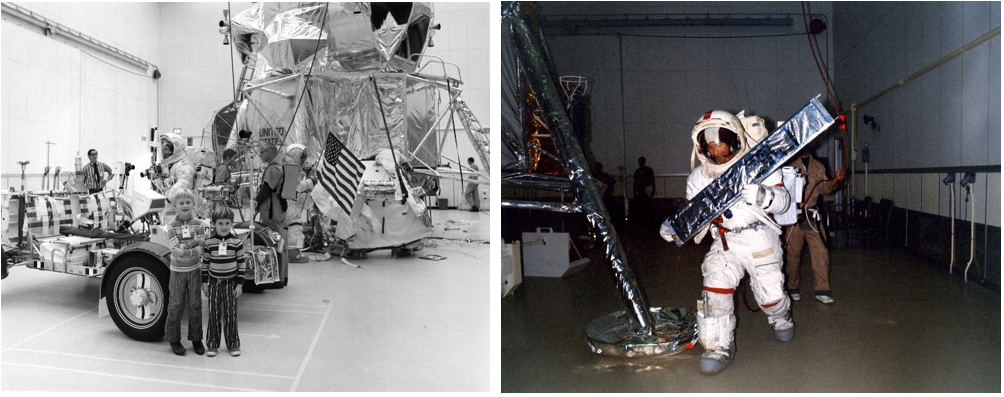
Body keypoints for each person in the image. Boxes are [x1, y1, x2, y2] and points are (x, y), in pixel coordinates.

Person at [661, 109, 793, 374]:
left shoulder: (760, 164)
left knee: (770, 297)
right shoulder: (699, 177)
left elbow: (784, 202)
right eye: (709, 145)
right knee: (714, 288)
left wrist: (763, 195)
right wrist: (674, 227)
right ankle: (719, 347)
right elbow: (693, 213)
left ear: (734, 139)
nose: (716, 150)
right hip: (724, 241)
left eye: (719, 142)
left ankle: (781, 317)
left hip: (758, 237)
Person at [783, 149, 846, 304]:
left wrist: (835, 180)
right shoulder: (787, 164)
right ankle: (792, 288)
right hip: (793, 217)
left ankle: (822, 290)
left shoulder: (818, 166)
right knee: (792, 254)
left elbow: (824, 188)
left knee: (821, 252)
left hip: (811, 216)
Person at [164, 188, 206, 356]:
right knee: (175, 305)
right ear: (175, 206)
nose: (185, 205)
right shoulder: (171, 225)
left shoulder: (200, 224)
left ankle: (196, 339)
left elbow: (201, 248)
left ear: (193, 204)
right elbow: (175, 249)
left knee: (195, 305)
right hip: (177, 272)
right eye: (181, 203)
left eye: (188, 202)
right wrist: (193, 243)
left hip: (194, 270)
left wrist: (186, 248)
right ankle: (173, 339)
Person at [201, 206, 245, 357]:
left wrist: (239, 284)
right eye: (220, 223)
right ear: (214, 224)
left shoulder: (236, 242)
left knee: (230, 315)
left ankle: (233, 344)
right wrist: (204, 283)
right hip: (214, 284)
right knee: (213, 314)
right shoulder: (209, 242)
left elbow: (241, 264)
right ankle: (212, 344)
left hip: (231, 284)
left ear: (232, 223)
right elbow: (205, 263)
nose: (224, 226)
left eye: (227, 223)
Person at [255, 143, 287, 285]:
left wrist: (256, 202)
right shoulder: (278, 167)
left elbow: (266, 189)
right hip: (276, 209)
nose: (260, 155)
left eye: (262, 152)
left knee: (274, 241)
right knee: (279, 240)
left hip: (272, 210)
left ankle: (278, 277)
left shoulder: (273, 169)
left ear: (270, 151)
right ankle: (282, 276)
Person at [157, 134, 196, 219]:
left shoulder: (184, 165)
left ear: (175, 149)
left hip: (180, 207)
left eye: (166, 149)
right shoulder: (170, 165)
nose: (164, 153)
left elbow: (183, 183)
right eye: (162, 150)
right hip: (169, 208)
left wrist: (167, 197)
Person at [632, 156, 655, 223]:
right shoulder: (638, 171)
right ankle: (643, 221)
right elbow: (635, 183)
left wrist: (653, 190)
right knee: (641, 207)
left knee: (648, 206)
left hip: (647, 191)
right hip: (641, 191)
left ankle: (649, 221)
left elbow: (652, 180)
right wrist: (634, 193)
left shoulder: (648, 170)